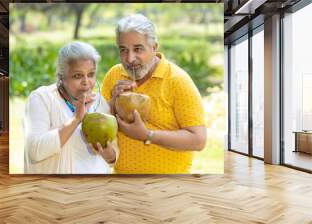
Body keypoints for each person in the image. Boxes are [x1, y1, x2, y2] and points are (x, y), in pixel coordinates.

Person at [101, 14, 207, 174]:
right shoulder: (114, 75)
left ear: (154, 47)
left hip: (169, 184)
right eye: (123, 50)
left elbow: (198, 140)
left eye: (138, 49)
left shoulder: (177, 81)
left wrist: (147, 135)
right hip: (122, 181)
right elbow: (101, 121)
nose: (130, 59)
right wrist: (114, 101)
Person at [24, 41, 119, 174]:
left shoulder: (99, 102)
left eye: (91, 74)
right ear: (61, 77)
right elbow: (34, 151)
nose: (86, 82)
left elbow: (113, 157)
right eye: (77, 76)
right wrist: (76, 119)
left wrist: (108, 154)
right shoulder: (41, 98)